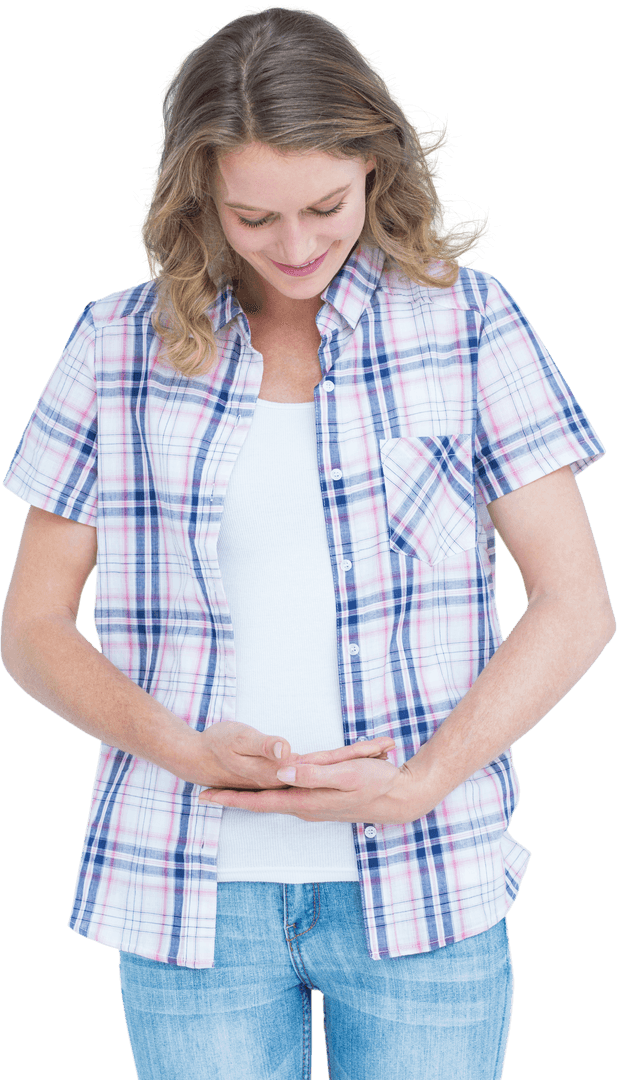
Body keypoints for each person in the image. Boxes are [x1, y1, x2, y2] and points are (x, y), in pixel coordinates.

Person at [1, 6, 614, 1079]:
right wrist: (180, 749)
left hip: (425, 882)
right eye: (253, 217)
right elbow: (33, 625)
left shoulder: (469, 324)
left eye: (323, 207)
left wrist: (419, 783)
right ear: (201, 200)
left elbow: (572, 605)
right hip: (193, 897)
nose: (293, 248)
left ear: (375, 168)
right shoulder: (111, 347)